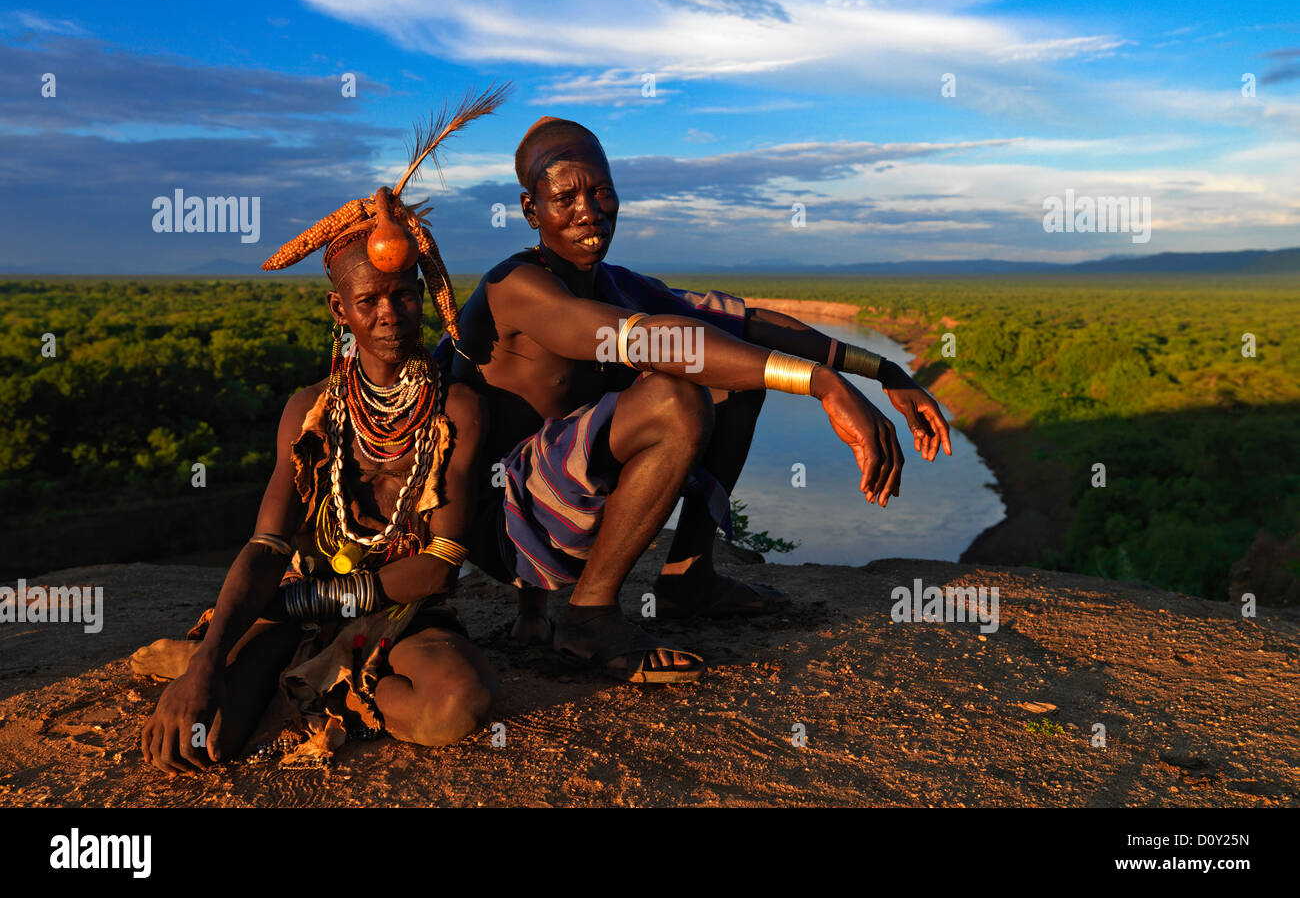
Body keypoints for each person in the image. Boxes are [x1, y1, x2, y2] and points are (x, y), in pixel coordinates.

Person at [450, 116, 953, 684]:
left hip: (567, 495)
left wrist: (883, 370)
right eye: (565, 196)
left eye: (602, 192)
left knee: (734, 372)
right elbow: (652, 340)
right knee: (675, 398)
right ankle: (588, 617)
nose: (588, 210)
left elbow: (744, 324)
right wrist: (821, 384)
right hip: (508, 527)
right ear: (529, 209)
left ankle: (689, 575)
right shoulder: (515, 287)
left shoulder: (614, 283)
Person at [133, 90, 507, 773]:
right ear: (341, 307)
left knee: (457, 704)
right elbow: (267, 542)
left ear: (423, 297)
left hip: (400, 608)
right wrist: (209, 664)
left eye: (404, 295)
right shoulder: (308, 410)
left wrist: (311, 599)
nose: (390, 313)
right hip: (298, 598)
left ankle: (325, 680)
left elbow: (440, 562)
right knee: (206, 739)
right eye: (370, 300)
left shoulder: (458, 409)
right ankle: (252, 652)